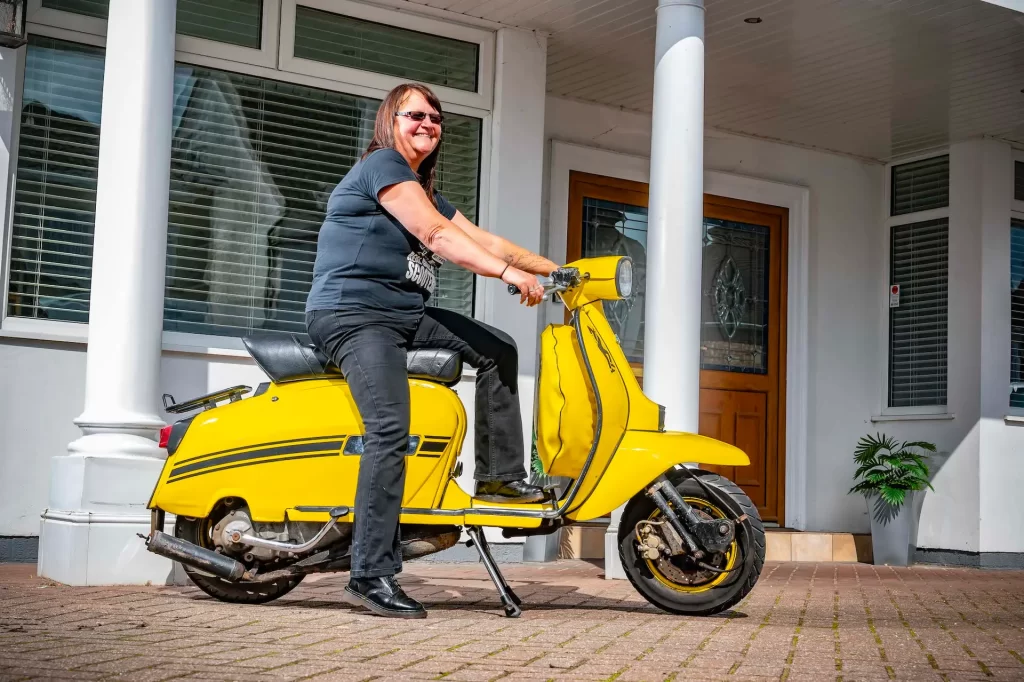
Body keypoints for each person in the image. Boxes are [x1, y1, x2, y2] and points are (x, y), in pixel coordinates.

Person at [304, 83, 559, 619]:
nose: (428, 124)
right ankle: (369, 575)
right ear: (390, 121)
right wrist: (508, 276)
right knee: (390, 429)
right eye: (415, 114)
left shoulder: (422, 191)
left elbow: (486, 241)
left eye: (436, 118)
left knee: (498, 350)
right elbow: (439, 237)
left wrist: (557, 271)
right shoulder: (382, 166)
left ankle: (499, 479)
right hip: (353, 313)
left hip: (402, 315)